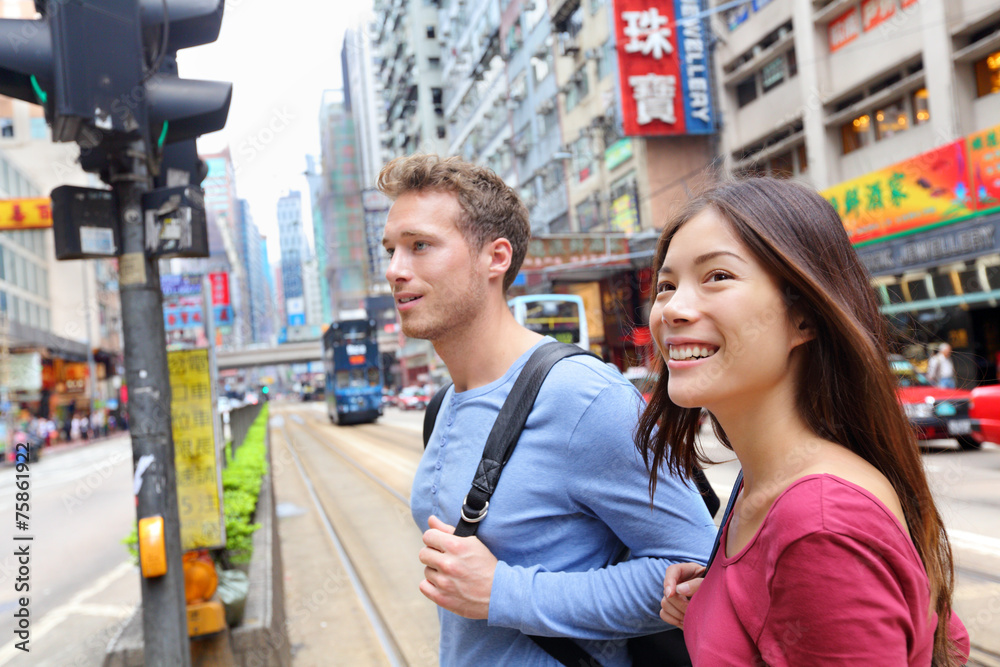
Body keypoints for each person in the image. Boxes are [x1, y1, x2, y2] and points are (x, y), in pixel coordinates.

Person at [378, 154, 717, 667]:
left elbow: (693, 569)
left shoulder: (581, 397)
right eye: (390, 250)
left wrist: (505, 592)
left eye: (420, 246)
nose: (396, 271)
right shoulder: (442, 406)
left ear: (495, 258)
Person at [636, 178, 970, 665]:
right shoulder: (765, 480)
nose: (673, 310)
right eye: (666, 286)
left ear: (805, 318)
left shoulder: (819, 526)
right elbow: (947, 641)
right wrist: (722, 604)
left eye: (717, 277)